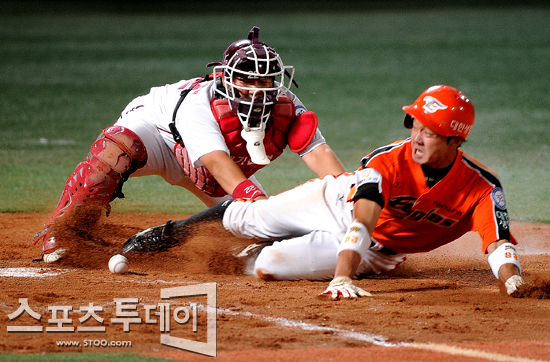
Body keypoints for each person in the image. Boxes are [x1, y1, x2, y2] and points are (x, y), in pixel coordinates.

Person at [122, 85, 525, 299]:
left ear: (456, 141)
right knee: (250, 215)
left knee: (269, 265)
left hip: (379, 254)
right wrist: (342, 276)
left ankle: (240, 255)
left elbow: (500, 245)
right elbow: (363, 218)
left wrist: (512, 282)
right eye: (414, 126)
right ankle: (170, 234)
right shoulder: (388, 161)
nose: (416, 137)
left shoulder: (482, 188)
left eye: (429, 132)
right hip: (336, 202)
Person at [33, 26, 345, 263]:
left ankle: (174, 236)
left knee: (256, 235)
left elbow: (320, 155)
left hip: (207, 170)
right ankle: (64, 233)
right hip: (158, 136)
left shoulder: (286, 105)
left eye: (265, 81)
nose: (257, 89)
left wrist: (348, 195)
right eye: (247, 80)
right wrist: (257, 202)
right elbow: (218, 163)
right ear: (225, 78)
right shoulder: (200, 104)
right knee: (115, 151)